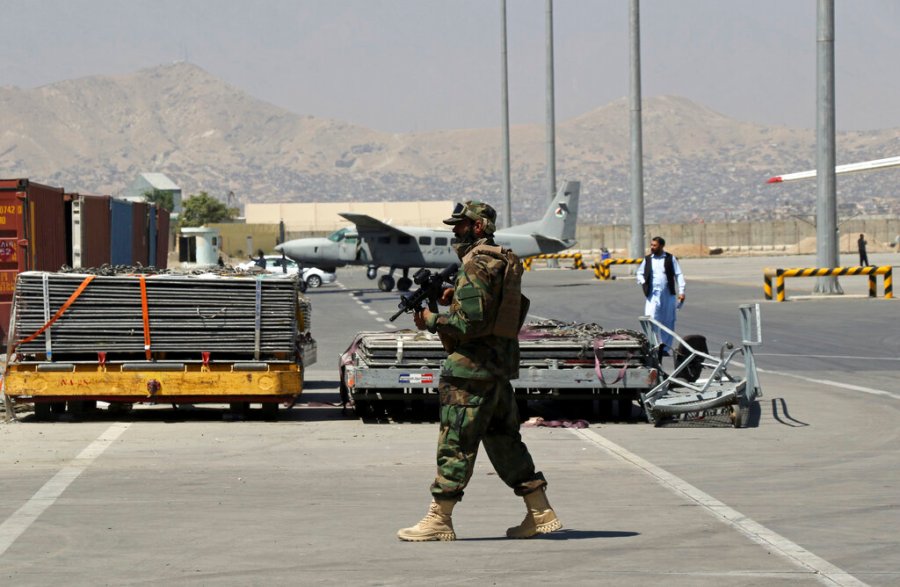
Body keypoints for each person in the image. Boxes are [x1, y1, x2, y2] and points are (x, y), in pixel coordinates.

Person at [397, 200, 561, 542]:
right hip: (497, 368)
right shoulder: (500, 259)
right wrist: (452, 296)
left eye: (460, 226)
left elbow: (470, 323)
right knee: (505, 442)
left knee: (455, 443)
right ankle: (540, 513)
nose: (454, 232)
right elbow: (494, 311)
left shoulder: (475, 264)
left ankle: (439, 519)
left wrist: (432, 321)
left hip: (470, 372)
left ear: (477, 226)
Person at [636, 236, 686, 357]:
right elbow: (639, 273)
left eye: (654, 245)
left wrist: (682, 291)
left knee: (668, 320)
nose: (652, 247)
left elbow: (678, 274)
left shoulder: (670, 258)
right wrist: (643, 281)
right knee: (651, 319)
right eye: (651, 245)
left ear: (661, 246)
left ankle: (665, 348)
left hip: (668, 294)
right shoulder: (648, 259)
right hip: (653, 295)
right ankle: (652, 345)